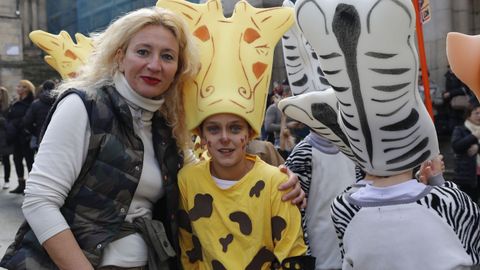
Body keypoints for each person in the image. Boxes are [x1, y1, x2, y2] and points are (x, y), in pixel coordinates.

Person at [0, 6, 304, 270]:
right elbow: (40, 202)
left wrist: (281, 181)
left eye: (167, 56)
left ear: (177, 69)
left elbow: (211, 173)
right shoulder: (84, 105)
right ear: (120, 56)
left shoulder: (165, 126)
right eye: (143, 51)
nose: (155, 65)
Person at [6, 80, 35, 194]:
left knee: (29, 161)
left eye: (20, 87)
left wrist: (19, 125)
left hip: (25, 136)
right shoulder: (15, 102)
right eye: (18, 86)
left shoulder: (31, 102)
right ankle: (21, 184)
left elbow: (29, 118)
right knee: (17, 160)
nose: (18, 88)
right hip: (16, 136)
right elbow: (10, 115)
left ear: (26, 89)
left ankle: (31, 186)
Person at [451, 101, 480, 202]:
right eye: (476, 113)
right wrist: (474, 136)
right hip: (467, 175)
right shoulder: (460, 129)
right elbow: (457, 147)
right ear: (468, 115)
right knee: (470, 204)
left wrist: (478, 148)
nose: (479, 116)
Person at [23, 79, 56, 152]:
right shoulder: (61, 101)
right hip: (57, 138)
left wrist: (36, 131)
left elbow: (27, 122)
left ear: (43, 89)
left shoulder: (36, 103)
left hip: (41, 137)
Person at [0, 86, 13, 189]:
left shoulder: (8, 107)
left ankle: (7, 180)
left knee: (6, 158)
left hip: (4, 135)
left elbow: (9, 121)